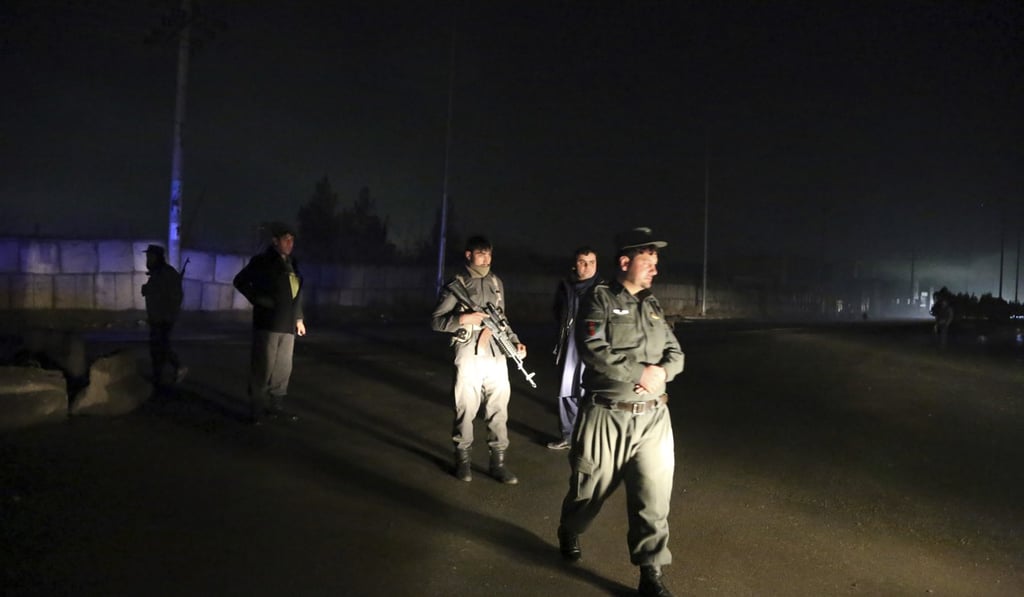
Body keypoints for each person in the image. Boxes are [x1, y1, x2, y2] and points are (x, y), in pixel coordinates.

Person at [557, 227, 685, 597]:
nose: (654, 270)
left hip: (652, 419)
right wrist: (638, 372)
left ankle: (650, 572)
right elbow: (592, 346)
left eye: (656, 263)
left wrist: (662, 373)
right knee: (588, 494)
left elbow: (675, 353)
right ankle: (570, 528)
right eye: (648, 262)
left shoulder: (653, 306)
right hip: (606, 416)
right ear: (625, 262)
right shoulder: (598, 300)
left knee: (653, 496)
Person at [431, 235, 527, 484]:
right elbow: (436, 321)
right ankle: (462, 462)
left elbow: (502, 320)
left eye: (489, 254)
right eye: (481, 253)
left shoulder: (496, 282)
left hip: (495, 354)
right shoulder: (457, 284)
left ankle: (498, 463)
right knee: (466, 409)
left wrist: (515, 342)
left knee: (498, 410)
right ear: (468, 255)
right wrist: (463, 320)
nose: (486, 258)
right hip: (468, 353)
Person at [233, 223, 306, 424]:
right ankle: (256, 409)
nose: (290, 243)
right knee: (262, 367)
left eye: (292, 239)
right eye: (286, 239)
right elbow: (239, 281)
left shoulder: (293, 263)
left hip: (288, 325)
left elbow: (297, 293)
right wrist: (259, 299)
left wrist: (299, 318)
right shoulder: (262, 261)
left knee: (283, 368)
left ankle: (276, 406)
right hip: (268, 324)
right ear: (275, 241)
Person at [547, 246, 601, 450]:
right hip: (570, 345)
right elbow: (556, 311)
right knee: (567, 390)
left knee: (591, 393)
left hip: (594, 349)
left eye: (591, 262)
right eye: (582, 262)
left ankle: (591, 439)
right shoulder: (565, 286)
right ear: (574, 263)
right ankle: (568, 435)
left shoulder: (603, 288)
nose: (587, 267)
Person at [140, 244, 186, 388]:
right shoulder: (156, 273)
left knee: (161, 347)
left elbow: (175, 296)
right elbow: (154, 292)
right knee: (156, 349)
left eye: (150, 256)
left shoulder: (166, 273)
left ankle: (178, 367)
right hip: (156, 318)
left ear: (158, 257)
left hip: (163, 318)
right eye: (147, 256)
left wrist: (169, 315)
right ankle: (157, 378)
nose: (148, 259)